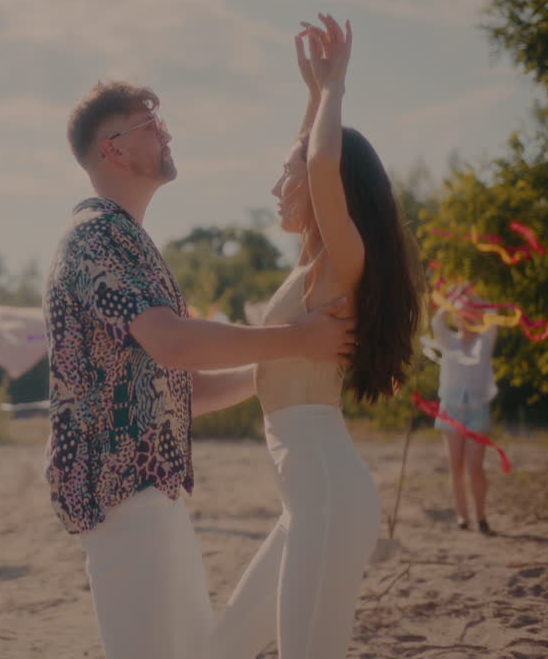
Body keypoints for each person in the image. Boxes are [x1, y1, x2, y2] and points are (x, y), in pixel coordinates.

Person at [43, 75, 357, 658]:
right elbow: (174, 344)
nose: (167, 133)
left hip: (148, 492)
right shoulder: (97, 236)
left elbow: (183, 388)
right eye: (151, 125)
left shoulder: (126, 238)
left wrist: (284, 365)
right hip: (121, 493)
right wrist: (299, 340)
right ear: (113, 149)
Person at [209, 14, 423, 659]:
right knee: (218, 648)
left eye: (287, 175)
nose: (276, 188)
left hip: (327, 502)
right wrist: (310, 96)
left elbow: (322, 161)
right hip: (310, 504)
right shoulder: (311, 268)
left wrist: (335, 87)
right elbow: (313, 158)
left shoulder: (342, 265)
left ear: (330, 190)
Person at [429, 289, 499, 534]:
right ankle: (462, 516)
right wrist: (454, 297)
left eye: (471, 315)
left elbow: (494, 314)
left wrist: (476, 300)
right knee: (455, 467)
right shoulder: (449, 341)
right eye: (462, 314)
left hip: (477, 410)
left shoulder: (484, 341)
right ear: (456, 317)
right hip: (451, 410)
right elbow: (436, 322)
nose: (467, 319)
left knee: (474, 467)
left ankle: (481, 516)